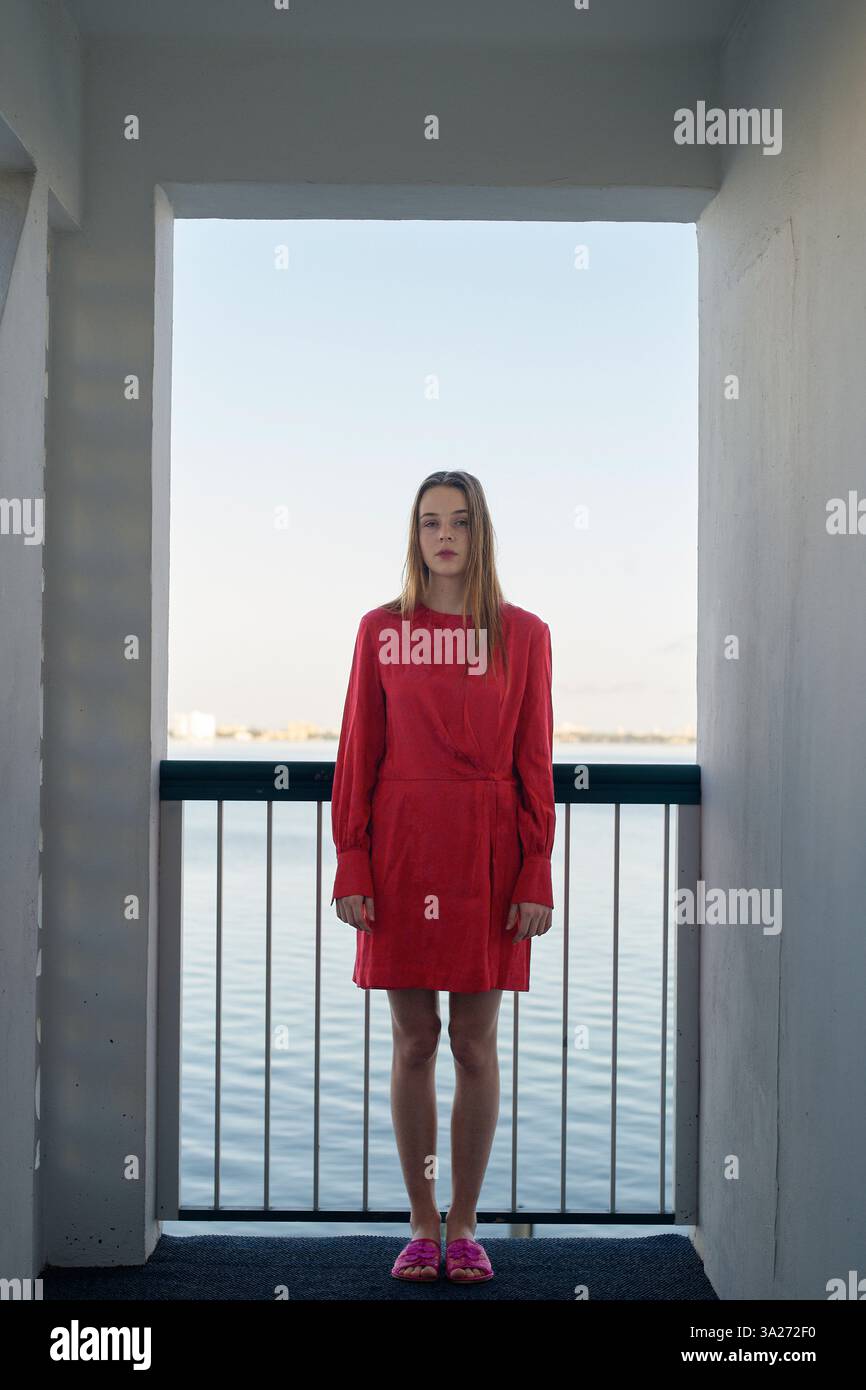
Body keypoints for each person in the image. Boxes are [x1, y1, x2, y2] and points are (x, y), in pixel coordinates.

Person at [330, 470, 555, 1285]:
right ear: (415, 536)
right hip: (402, 848)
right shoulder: (380, 631)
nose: (444, 535)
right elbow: (358, 751)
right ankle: (421, 1224)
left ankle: (466, 1224)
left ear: (479, 531)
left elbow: (536, 761)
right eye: (430, 522)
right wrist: (351, 856)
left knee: (474, 1043)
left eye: (458, 521)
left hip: (488, 855)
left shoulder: (525, 635)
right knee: (415, 1040)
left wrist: (536, 868)